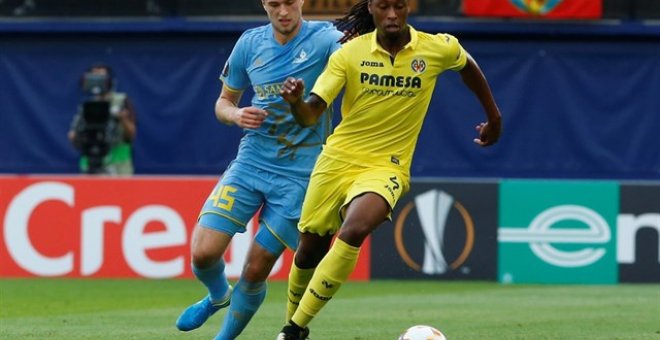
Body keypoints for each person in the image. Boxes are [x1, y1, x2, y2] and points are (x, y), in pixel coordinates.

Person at [276, 0, 502, 338]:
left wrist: (494, 116)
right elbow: (311, 113)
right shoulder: (349, 55)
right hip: (337, 161)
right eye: (384, 7)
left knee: (354, 229)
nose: (392, 14)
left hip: (388, 166)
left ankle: (292, 330)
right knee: (310, 249)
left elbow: (466, 65)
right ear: (372, 8)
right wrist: (296, 103)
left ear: (408, 7)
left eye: (398, 6)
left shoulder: (435, 48)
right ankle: (295, 322)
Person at [174, 0, 343, 339]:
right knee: (203, 253)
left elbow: (366, 56)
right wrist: (236, 115)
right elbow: (224, 102)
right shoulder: (250, 44)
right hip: (252, 162)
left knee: (255, 268)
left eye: (290, 2)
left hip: (301, 174)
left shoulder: (327, 40)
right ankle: (218, 296)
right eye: (274, 3)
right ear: (264, 4)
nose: (283, 11)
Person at [68, 63, 136, 175]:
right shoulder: (87, 106)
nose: (97, 81)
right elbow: (74, 136)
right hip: (90, 166)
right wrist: (77, 138)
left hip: (117, 168)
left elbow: (131, 135)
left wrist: (122, 119)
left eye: (101, 76)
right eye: (94, 76)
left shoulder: (121, 101)